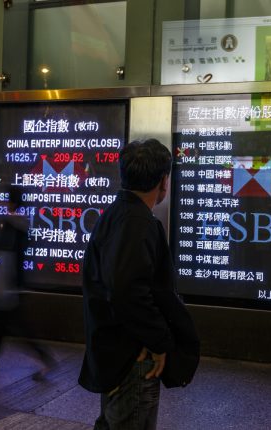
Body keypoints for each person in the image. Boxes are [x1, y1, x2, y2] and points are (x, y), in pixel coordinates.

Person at [79, 138, 199, 430]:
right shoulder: (138, 223)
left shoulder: (117, 214)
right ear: (163, 181)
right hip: (133, 357)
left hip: (113, 351)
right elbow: (127, 291)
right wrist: (159, 342)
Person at [0, 185, 56, 380]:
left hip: (7, 287)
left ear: (11, 202)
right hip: (12, 285)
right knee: (2, 325)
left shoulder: (12, 224)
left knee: (16, 327)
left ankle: (45, 359)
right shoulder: (19, 223)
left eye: (5, 199)